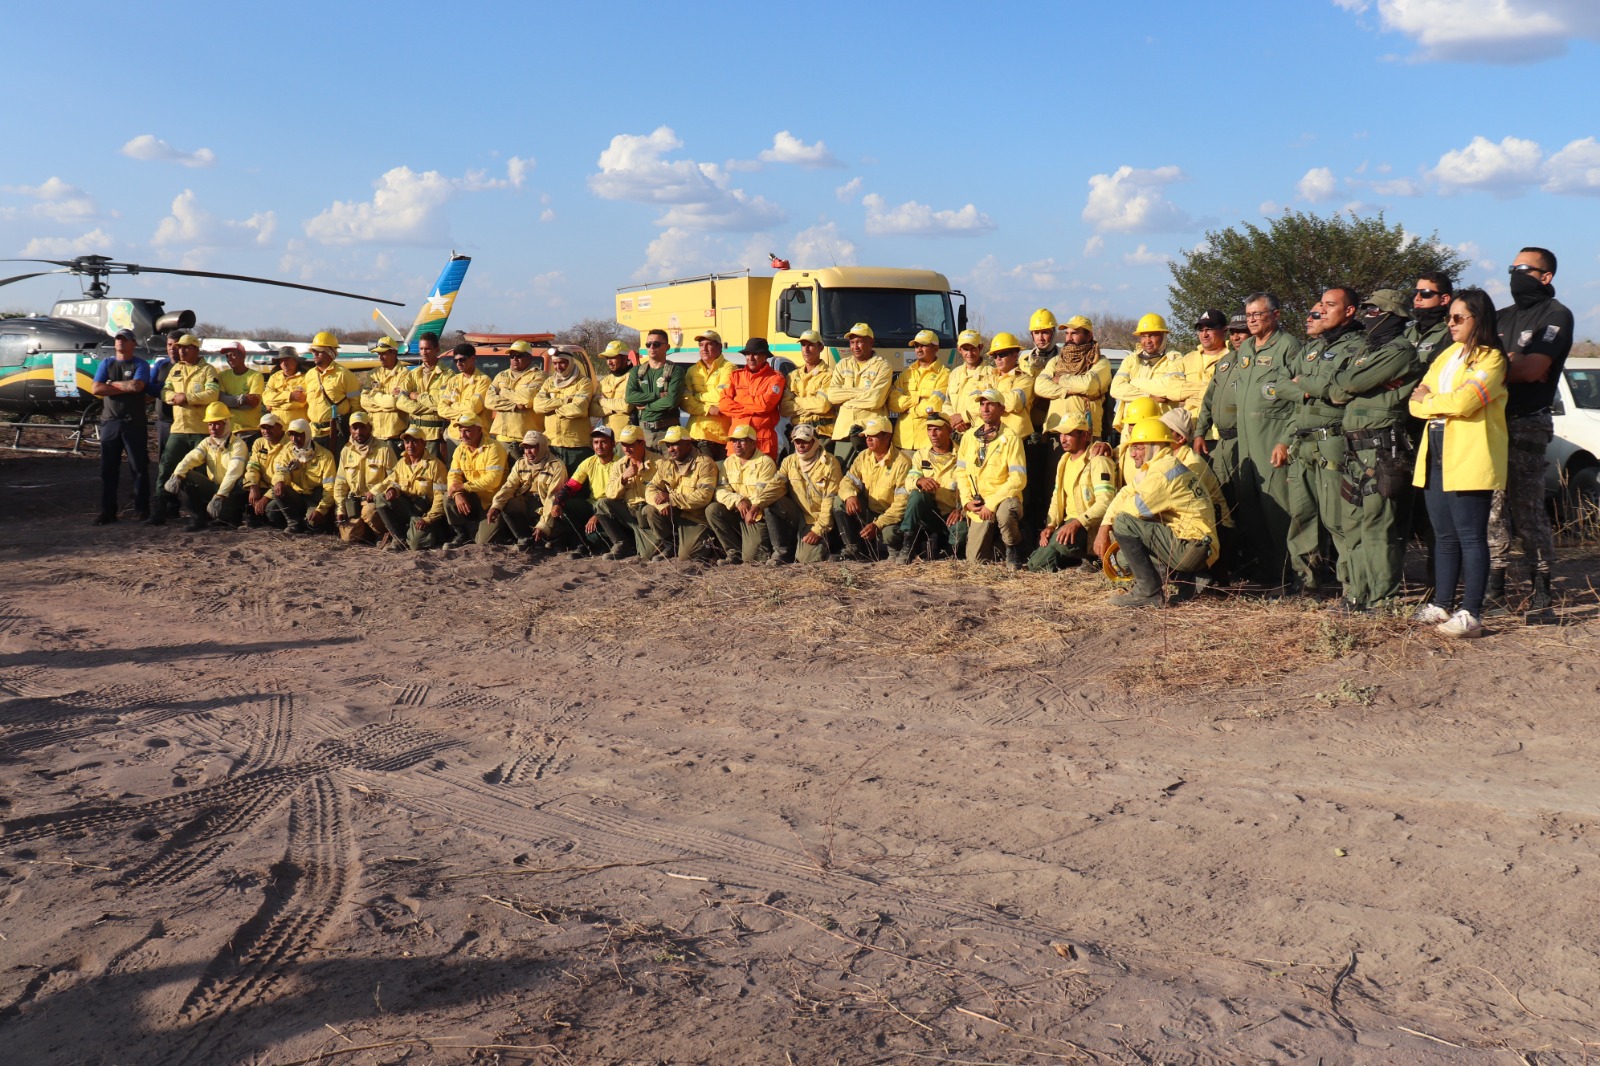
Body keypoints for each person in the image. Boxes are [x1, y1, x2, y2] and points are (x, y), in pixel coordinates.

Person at [1409, 288, 1508, 638]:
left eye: (1458, 317)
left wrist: (1432, 400)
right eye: (1449, 317)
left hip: (1469, 453)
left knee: (1471, 536)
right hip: (1435, 447)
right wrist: (1436, 401)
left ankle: (1472, 612)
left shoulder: (1491, 358)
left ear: (1477, 319)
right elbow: (1414, 402)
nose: (1450, 323)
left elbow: (1469, 401)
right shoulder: (1448, 354)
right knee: (1444, 535)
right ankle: (1442, 603)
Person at [1327, 289, 1422, 613]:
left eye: (1374, 310)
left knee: (1378, 527)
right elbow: (1340, 387)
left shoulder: (1401, 351)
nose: (1368, 316)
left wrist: (1353, 383)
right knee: (1351, 525)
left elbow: (1348, 385)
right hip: (1353, 450)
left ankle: (1382, 601)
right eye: (1366, 310)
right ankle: (1356, 594)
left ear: (1392, 316)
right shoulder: (1367, 350)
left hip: (1382, 449)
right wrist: (1355, 382)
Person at [1492, 246, 1573, 620]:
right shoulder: (1501, 316)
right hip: (1491, 422)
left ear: (1546, 277)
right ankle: (1494, 590)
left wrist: (1506, 367)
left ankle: (1542, 593)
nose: (1515, 273)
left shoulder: (1555, 315)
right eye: (1512, 267)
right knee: (1492, 510)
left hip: (1527, 420)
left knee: (1527, 511)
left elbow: (1532, 370)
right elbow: (1474, 362)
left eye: (1524, 268)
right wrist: (1511, 364)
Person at [1278, 286, 1367, 595]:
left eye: (1330, 305)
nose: (1323, 311)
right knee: (1302, 515)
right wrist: (1309, 388)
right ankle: (1307, 581)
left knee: (1337, 519)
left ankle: (1352, 586)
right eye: (1322, 305)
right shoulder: (1311, 348)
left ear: (1349, 311)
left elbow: (1341, 392)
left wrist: (1303, 384)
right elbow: (1282, 386)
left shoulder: (1358, 346)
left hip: (1332, 442)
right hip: (1302, 442)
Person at [1094, 418, 1219, 607]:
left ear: (1154, 445)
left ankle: (1148, 593)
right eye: (1132, 448)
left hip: (1192, 549)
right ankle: (1190, 578)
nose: (1133, 454)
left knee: (1123, 523)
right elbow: (1126, 493)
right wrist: (1104, 526)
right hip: (1196, 548)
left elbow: (1130, 511)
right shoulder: (1161, 465)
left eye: (1138, 448)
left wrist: (1109, 525)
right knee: (1124, 558)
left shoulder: (1161, 473)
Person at [1232, 293, 1301, 591]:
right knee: (1251, 511)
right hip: (1246, 443)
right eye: (1249, 315)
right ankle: (1267, 573)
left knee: (1279, 514)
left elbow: (1301, 399)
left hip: (1272, 441)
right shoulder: (1246, 346)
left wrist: (1286, 441)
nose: (1252, 320)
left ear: (1275, 315)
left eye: (1258, 314)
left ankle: (1291, 576)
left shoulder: (1288, 346)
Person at [1028, 404, 1117, 572]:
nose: (1063, 438)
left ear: (1085, 435)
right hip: (1068, 523)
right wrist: (1050, 525)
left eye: (1069, 434)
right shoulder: (1063, 461)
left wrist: (1078, 522)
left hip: (1090, 525)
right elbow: (1057, 496)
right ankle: (1074, 559)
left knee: (1060, 543)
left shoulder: (1098, 461)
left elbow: (1106, 502)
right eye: (1061, 433)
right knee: (1036, 564)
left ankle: (1093, 557)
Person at [151, 333, 220, 525]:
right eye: (179, 347)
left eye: (186, 347)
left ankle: (199, 513)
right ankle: (160, 511)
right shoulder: (176, 369)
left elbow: (212, 394)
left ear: (196, 349)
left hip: (201, 431)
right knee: (166, 468)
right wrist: (173, 397)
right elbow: (165, 390)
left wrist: (187, 398)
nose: (180, 350)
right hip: (178, 429)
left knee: (198, 473)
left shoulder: (207, 370)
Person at [956, 389, 1028, 568]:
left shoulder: (1011, 438)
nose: (985, 408)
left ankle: (1013, 547)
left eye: (990, 404)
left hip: (1002, 499)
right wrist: (966, 502)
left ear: (1002, 409)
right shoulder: (969, 437)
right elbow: (960, 473)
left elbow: (1018, 478)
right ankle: (999, 544)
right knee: (975, 562)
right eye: (982, 404)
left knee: (1005, 512)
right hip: (978, 503)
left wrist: (992, 503)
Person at [90, 328, 153, 523]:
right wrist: (122, 385)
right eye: (118, 339)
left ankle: (142, 508)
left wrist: (111, 384)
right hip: (110, 422)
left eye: (125, 339)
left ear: (133, 343)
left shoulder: (140, 364)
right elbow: (96, 388)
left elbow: (137, 386)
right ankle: (108, 512)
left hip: (134, 423)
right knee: (108, 469)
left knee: (138, 466)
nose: (120, 342)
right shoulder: (107, 363)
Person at [833, 416, 909, 560]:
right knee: (839, 501)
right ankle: (853, 549)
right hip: (868, 512)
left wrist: (877, 524)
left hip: (890, 518)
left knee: (890, 534)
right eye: (867, 435)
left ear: (888, 436)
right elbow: (847, 481)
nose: (868, 439)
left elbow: (901, 505)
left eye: (874, 435)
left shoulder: (902, 462)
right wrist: (850, 495)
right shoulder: (863, 456)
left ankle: (890, 552)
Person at [165, 401, 250, 532]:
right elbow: (191, 458)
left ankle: (232, 517)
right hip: (215, 487)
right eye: (210, 424)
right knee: (185, 475)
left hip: (231, 492)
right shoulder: (206, 442)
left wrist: (220, 495)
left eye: (216, 423)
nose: (212, 428)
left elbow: (234, 472)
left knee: (239, 484)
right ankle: (198, 518)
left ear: (226, 423)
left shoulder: (238, 445)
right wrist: (177, 474)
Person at [705, 424, 782, 564]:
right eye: (734, 441)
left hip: (756, 514)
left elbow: (763, 494)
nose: (737, 445)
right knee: (713, 510)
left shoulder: (765, 462)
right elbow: (720, 490)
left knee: (751, 559)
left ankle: (757, 551)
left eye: (742, 441)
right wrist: (738, 500)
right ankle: (733, 553)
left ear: (753, 443)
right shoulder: (729, 462)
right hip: (736, 510)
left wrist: (748, 504)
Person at [894, 410, 964, 563]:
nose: (932, 433)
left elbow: (973, 487)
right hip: (929, 514)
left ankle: (946, 549)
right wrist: (919, 481)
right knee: (917, 495)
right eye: (929, 429)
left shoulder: (963, 454)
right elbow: (909, 481)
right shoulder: (921, 454)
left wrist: (962, 510)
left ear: (949, 431)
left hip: (952, 514)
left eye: (938, 429)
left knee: (960, 536)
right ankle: (907, 545)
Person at [481, 430, 569, 550]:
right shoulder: (520, 463)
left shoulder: (556, 466)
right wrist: (495, 506)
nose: (528, 451)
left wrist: (543, 526)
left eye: (532, 447)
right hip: (526, 505)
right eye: (526, 447)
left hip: (545, 509)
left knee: (554, 520)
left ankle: (551, 539)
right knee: (508, 502)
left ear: (542, 447)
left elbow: (552, 498)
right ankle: (523, 538)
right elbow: (508, 487)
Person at [766, 423, 840, 565]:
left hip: (819, 519)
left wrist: (818, 530)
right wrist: (757, 504)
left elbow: (830, 500)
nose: (801, 445)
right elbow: (775, 486)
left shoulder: (829, 463)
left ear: (815, 442)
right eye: (797, 442)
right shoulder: (789, 461)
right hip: (799, 515)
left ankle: (830, 544)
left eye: (805, 441)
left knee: (807, 559)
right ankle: (782, 552)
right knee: (771, 502)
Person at [642, 425, 719, 561]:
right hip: (674, 514)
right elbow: (650, 488)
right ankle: (670, 544)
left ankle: (710, 544)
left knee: (687, 557)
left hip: (696, 517)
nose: (670, 449)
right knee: (650, 509)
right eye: (668, 445)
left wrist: (671, 499)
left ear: (688, 443)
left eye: (675, 444)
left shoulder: (705, 463)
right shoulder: (667, 464)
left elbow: (704, 497)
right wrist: (661, 505)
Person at [1110, 315, 1194, 435]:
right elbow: (1116, 389)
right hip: (1131, 430)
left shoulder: (1174, 359)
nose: (1147, 341)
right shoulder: (1131, 360)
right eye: (1143, 336)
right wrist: (1149, 396)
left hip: (1161, 429)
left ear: (1163, 336)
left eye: (1153, 335)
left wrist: (1134, 382)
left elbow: (1170, 389)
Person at [549, 424, 625, 556]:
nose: (599, 446)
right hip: (592, 504)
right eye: (596, 442)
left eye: (603, 442)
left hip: (610, 508)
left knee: (593, 536)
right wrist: (557, 503)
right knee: (563, 505)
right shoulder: (589, 462)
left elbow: (621, 497)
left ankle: (599, 544)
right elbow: (571, 486)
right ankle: (581, 546)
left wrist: (597, 516)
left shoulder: (621, 464)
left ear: (613, 444)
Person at [824, 323, 893, 467]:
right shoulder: (842, 364)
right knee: (843, 473)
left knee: (869, 473)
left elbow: (875, 400)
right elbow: (832, 396)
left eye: (860, 342)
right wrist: (863, 392)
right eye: (852, 342)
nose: (855, 346)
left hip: (870, 432)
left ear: (870, 343)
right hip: (843, 432)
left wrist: (846, 400)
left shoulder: (883, 366)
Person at [1034, 315, 1113, 441]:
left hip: (1085, 432)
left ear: (1089, 336)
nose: (1069, 338)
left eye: (1074, 333)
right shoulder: (1056, 361)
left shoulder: (1100, 362)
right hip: (1057, 430)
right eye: (1067, 333)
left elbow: (1088, 385)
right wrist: (1066, 391)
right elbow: (1039, 387)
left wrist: (1059, 380)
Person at [370, 427, 449, 551]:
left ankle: (433, 533)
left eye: (415, 442)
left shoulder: (435, 465)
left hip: (425, 513)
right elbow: (394, 481)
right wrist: (392, 489)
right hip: (408, 508)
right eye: (407, 442)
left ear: (424, 443)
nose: (410, 445)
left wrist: (428, 519)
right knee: (381, 498)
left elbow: (440, 497)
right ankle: (399, 538)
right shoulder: (402, 462)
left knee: (415, 544)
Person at [597, 425, 664, 559]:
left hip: (649, 513)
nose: (626, 449)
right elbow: (610, 493)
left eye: (631, 445)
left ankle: (662, 542)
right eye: (623, 444)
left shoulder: (660, 463)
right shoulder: (619, 465)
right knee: (602, 504)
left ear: (642, 443)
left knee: (646, 555)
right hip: (630, 511)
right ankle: (622, 543)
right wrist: (623, 478)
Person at [332, 412, 397, 544]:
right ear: (350, 430)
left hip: (374, 501)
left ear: (370, 427)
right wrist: (340, 508)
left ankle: (383, 535)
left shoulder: (384, 449)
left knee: (369, 512)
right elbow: (341, 483)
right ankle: (366, 533)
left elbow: (395, 476)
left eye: (362, 427)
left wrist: (375, 491)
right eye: (354, 428)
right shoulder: (346, 450)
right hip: (355, 502)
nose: (358, 431)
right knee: (348, 539)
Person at [444, 416, 507, 547]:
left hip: (493, 503)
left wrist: (463, 487)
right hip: (474, 497)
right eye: (461, 431)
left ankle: (500, 530)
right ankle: (462, 534)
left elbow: (493, 481)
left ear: (479, 430)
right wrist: (457, 494)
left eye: (467, 431)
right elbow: (453, 475)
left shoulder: (494, 447)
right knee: (448, 497)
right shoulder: (460, 449)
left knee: (482, 542)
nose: (463, 435)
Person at [267, 418, 336, 534]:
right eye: (291, 435)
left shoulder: (325, 456)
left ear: (307, 434)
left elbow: (330, 489)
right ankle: (294, 523)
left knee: (314, 524)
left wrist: (321, 510)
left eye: (298, 435)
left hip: (314, 499)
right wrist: (280, 480)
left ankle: (304, 521)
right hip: (295, 497)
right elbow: (280, 471)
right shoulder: (287, 451)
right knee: (271, 511)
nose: (294, 439)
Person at [721, 338, 786, 460]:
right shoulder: (735, 376)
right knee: (734, 478)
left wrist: (738, 398)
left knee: (763, 478)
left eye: (755, 354)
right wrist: (752, 409)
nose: (750, 358)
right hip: (736, 443)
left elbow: (765, 405)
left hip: (762, 443)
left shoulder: (775, 378)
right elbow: (724, 405)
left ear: (765, 356)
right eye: (747, 354)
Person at [532, 348, 594, 472]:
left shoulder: (583, 382)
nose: (558, 367)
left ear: (570, 362)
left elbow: (578, 409)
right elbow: (537, 406)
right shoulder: (549, 382)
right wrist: (565, 401)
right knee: (554, 485)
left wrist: (550, 409)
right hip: (552, 444)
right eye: (555, 363)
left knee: (576, 487)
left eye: (562, 362)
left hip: (576, 446)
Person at [888, 330, 950, 453]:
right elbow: (892, 402)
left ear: (936, 348)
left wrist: (908, 409)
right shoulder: (907, 373)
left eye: (923, 345)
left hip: (927, 444)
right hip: (901, 442)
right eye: (916, 346)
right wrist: (917, 400)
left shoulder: (944, 374)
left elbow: (933, 407)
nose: (919, 349)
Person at [624, 328, 687, 449]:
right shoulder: (637, 371)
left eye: (656, 344)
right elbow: (630, 397)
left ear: (667, 347)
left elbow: (671, 401)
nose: (652, 347)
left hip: (668, 432)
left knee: (669, 467)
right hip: (644, 432)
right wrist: (657, 395)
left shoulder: (675, 371)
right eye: (648, 344)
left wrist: (647, 406)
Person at [398, 332, 453, 457]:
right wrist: (425, 408)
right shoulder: (413, 374)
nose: (424, 352)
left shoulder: (447, 375)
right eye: (421, 349)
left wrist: (417, 397)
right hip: (414, 434)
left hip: (434, 435)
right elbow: (400, 401)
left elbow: (442, 403)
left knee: (433, 471)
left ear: (437, 349)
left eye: (427, 348)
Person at [682, 329, 734, 460]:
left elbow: (721, 395)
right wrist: (708, 409)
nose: (704, 348)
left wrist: (698, 396)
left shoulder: (729, 367)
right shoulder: (692, 370)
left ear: (719, 347)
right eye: (700, 344)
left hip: (721, 436)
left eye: (708, 344)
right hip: (695, 434)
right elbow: (685, 401)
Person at [485, 339, 547, 449]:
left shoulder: (539, 376)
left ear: (529, 357)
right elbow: (489, 401)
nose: (514, 359)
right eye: (512, 356)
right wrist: (514, 405)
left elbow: (527, 399)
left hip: (527, 440)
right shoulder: (501, 375)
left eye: (519, 356)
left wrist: (503, 392)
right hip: (501, 437)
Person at [779, 329, 835, 448]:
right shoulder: (793, 376)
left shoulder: (829, 375)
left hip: (822, 434)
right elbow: (784, 409)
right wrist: (812, 403)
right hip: (797, 434)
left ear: (821, 348)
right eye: (803, 345)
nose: (806, 349)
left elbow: (822, 406)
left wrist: (796, 400)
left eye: (811, 345)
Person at [303, 332, 359, 451]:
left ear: (330, 352)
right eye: (313, 351)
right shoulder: (310, 375)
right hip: (314, 434)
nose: (315, 354)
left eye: (318, 351)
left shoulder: (344, 375)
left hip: (336, 434)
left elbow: (356, 404)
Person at [439, 343, 492, 463]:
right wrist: (460, 414)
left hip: (476, 439)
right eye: (456, 360)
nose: (458, 364)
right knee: (454, 474)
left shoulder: (484, 381)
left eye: (462, 359)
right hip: (454, 437)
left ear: (472, 359)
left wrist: (453, 405)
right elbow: (441, 408)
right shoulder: (453, 380)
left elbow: (473, 409)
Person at [361, 336, 411, 454]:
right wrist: (387, 400)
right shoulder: (373, 374)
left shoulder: (405, 374)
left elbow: (396, 402)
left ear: (394, 352)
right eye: (378, 353)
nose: (380, 357)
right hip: (375, 434)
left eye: (383, 353)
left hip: (394, 436)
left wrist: (375, 397)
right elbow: (363, 401)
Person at [1180, 311, 1231, 426]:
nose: (1204, 335)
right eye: (1201, 330)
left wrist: (1188, 395)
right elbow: (1172, 389)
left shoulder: (1233, 357)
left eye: (1209, 329)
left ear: (1225, 330)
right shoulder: (1188, 358)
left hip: (1220, 431)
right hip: (1191, 427)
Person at [986, 333, 1035, 442]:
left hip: (1015, 440)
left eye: (1002, 354)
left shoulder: (1025, 380)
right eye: (995, 355)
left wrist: (987, 401)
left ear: (1015, 354)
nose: (998, 359)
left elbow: (1014, 402)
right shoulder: (988, 378)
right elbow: (973, 404)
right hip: (990, 438)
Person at [242, 413, 288, 528]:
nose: (266, 431)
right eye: (263, 427)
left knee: (271, 510)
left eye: (270, 427)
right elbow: (252, 467)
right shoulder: (259, 443)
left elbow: (286, 476)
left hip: (282, 488)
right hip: (263, 485)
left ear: (280, 427)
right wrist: (253, 486)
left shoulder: (290, 444)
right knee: (242, 485)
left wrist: (266, 497)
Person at [216, 342, 265, 449]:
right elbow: (220, 400)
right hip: (228, 431)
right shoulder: (222, 376)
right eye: (227, 356)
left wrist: (229, 401)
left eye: (233, 355)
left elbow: (252, 403)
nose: (230, 359)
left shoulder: (256, 376)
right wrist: (243, 398)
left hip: (250, 431)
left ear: (243, 356)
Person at [946, 330, 994, 435]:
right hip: (956, 432)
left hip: (980, 433)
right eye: (965, 349)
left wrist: (964, 417)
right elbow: (947, 403)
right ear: (959, 349)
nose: (969, 353)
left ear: (980, 348)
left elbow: (991, 405)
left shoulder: (991, 374)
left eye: (973, 349)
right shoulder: (955, 374)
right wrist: (953, 420)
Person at [1407, 272, 1454, 367]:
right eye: (1415, 293)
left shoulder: (1452, 333)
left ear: (1444, 299)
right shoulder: (1406, 333)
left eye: (1425, 293)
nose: (1417, 298)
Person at [592, 340, 635, 437]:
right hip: (606, 437)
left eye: (613, 358)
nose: (609, 362)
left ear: (624, 358)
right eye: (607, 358)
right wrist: (612, 410)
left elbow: (626, 406)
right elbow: (592, 409)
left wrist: (603, 401)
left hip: (627, 438)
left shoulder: (633, 378)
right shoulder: (604, 381)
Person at [262, 348, 310, 427]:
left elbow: (300, 403)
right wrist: (290, 396)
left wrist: (275, 404)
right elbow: (266, 398)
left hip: (299, 428)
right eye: (281, 360)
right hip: (277, 428)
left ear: (296, 361)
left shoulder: (306, 377)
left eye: (287, 359)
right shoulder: (274, 377)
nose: (284, 363)